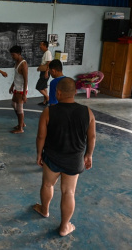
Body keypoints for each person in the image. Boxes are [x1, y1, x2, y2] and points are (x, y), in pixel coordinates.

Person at [33, 77, 96, 237]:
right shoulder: (87, 112)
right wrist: (89, 154)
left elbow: (41, 136)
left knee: (47, 185)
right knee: (68, 192)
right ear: (75, 92)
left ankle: (44, 210)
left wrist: (39, 154)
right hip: (74, 159)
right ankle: (64, 227)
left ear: (58, 93)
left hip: (52, 158)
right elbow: (92, 137)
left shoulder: (48, 111)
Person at [8, 45, 28, 134]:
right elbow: (16, 76)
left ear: (19, 54)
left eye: (13, 55)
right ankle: (21, 123)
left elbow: (25, 79)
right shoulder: (16, 62)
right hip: (17, 88)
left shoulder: (23, 64)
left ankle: (20, 128)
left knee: (20, 109)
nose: (12, 57)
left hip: (21, 89)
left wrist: (24, 94)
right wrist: (12, 85)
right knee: (13, 104)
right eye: (11, 55)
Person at [36, 41, 52, 106]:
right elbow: (44, 63)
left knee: (39, 87)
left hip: (45, 72)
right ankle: (45, 102)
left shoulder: (48, 53)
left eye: (41, 45)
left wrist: (46, 72)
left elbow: (49, 63)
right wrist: (40, 67)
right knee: (44, 87)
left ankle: (48, 98)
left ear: (45, 46)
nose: (40, 46)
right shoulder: (45, 53)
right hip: (43, 71)